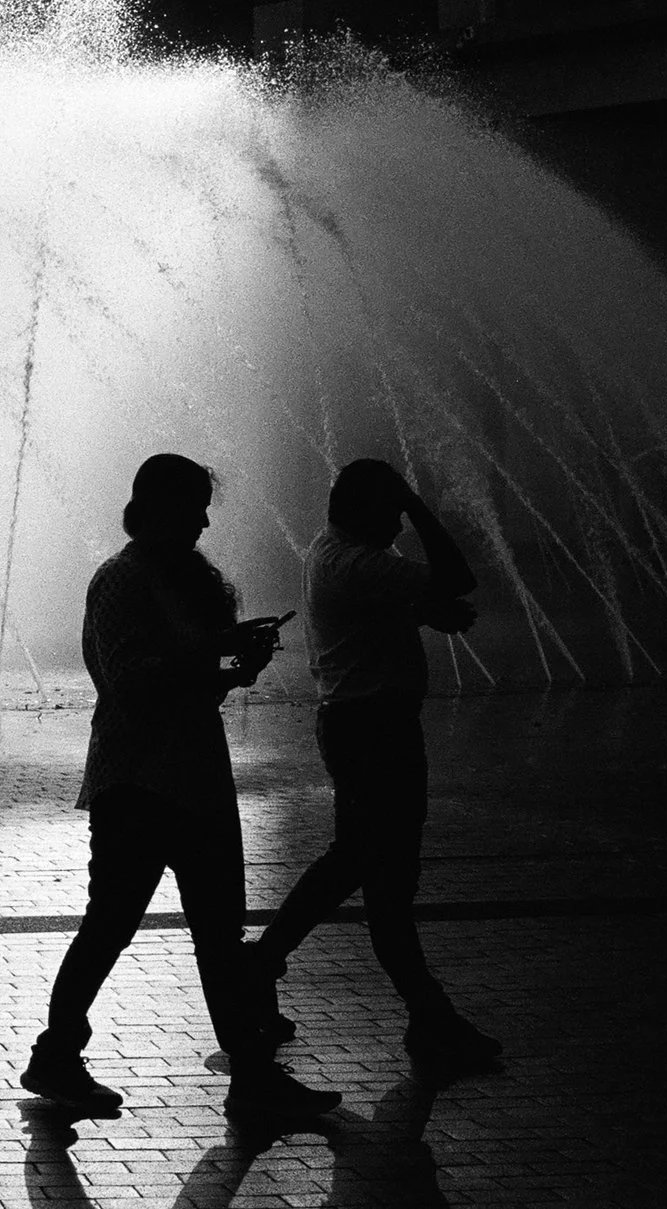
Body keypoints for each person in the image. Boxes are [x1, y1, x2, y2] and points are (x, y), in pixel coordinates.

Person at [21, 453, 341, 1125]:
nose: (202, 520)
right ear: (158, 507)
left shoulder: (186, 580)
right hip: (137, 780)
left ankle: (252, 1074)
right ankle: (56, 1053)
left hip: (196, 775)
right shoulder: (120, 580)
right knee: (111, 924)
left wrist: (239, 657)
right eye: (193, 506)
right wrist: (212, 655)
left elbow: (204, 675)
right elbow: (130, 679)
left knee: (220, 934)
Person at [247, 459, 501, 1072]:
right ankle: (427, 1017)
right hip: (374, 732)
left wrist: (419, 612)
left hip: (364, 726)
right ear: (368, 511)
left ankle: (265, 965)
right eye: (390, 512)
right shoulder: (355, 560)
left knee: (361, 863)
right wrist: (418, 506)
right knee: (383, 876)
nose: (397, 523)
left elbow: (378, 607)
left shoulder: (334, 550)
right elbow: (458, 576)